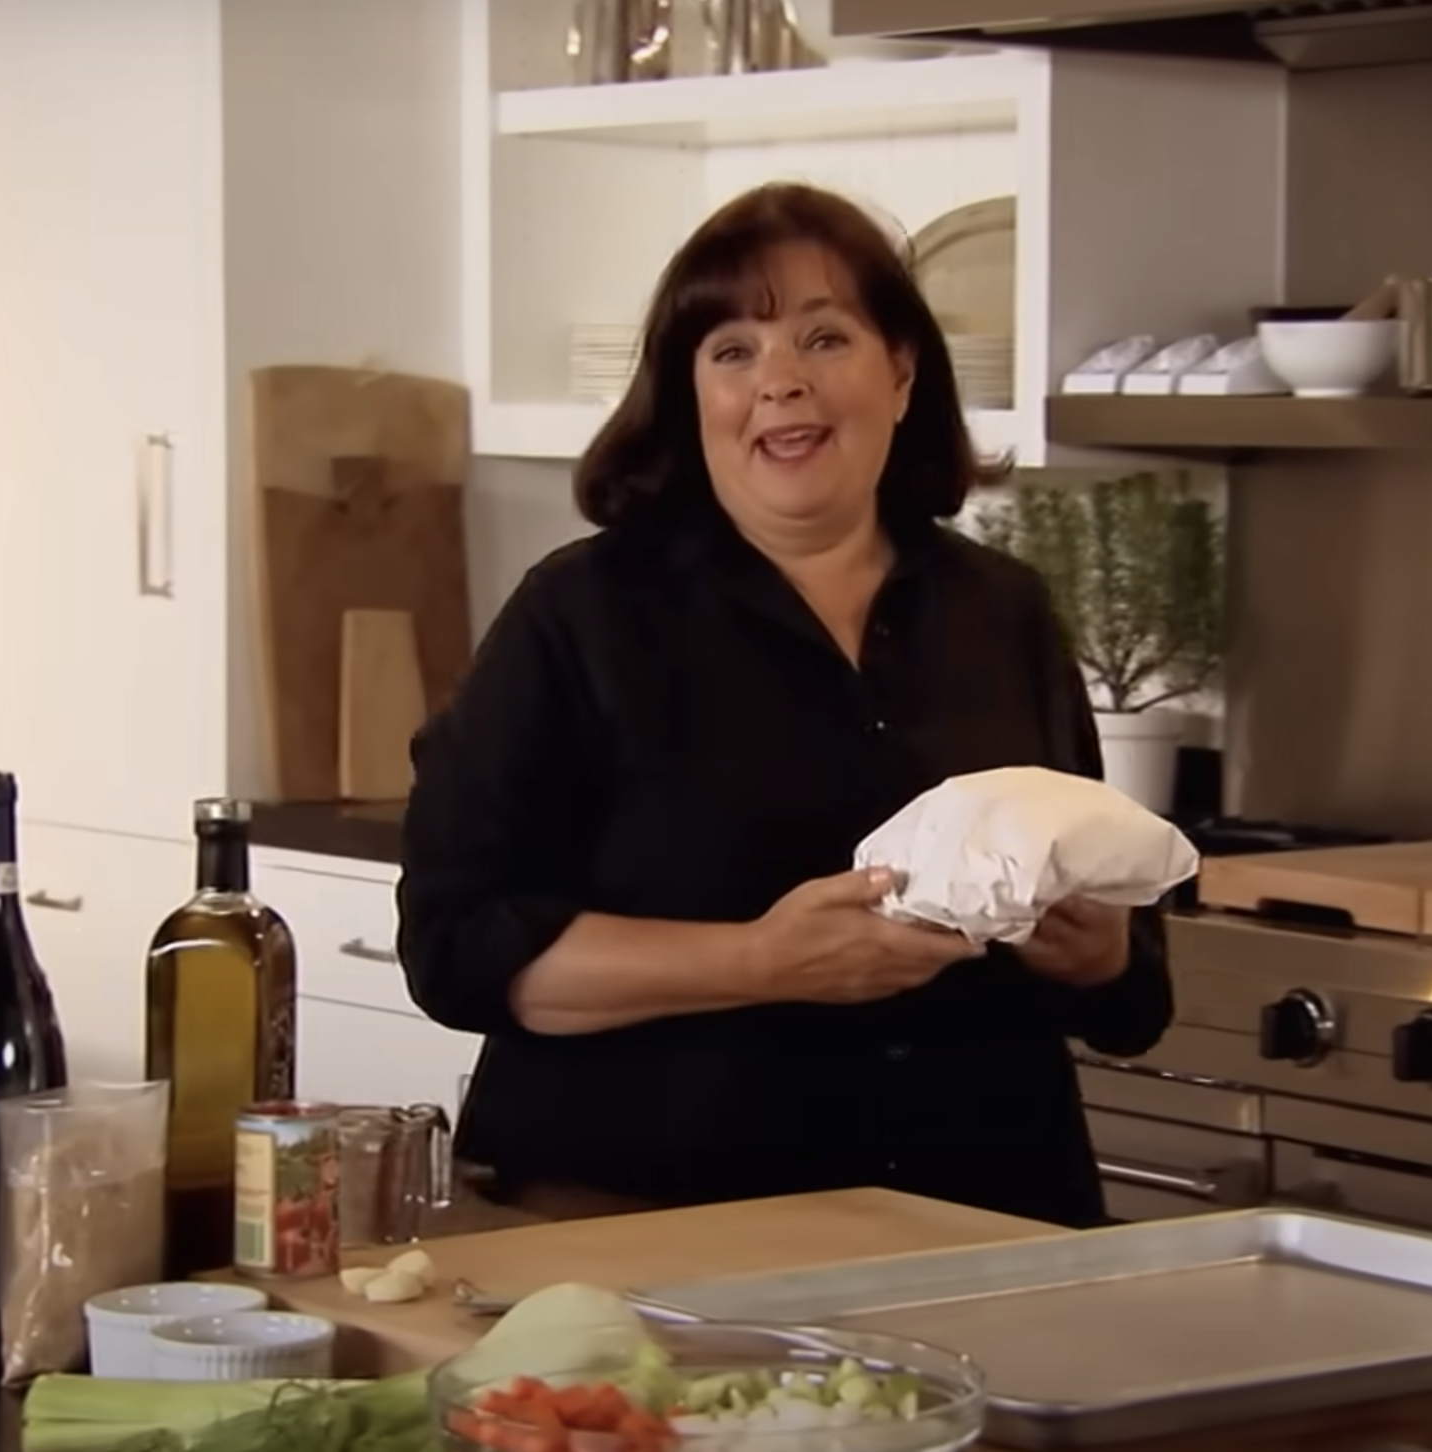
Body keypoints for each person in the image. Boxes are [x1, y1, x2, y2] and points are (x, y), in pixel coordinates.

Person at [395, 183, 1174, 1229]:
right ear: (690, 395)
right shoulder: (578, 613)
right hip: (651, 1228)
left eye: (823, 338)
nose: (782, 384)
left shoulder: (1004, 610)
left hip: (983, 1224)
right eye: (734, 351)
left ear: (900, 374)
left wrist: (1103, 953)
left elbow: (1129, 975)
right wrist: (761, 961)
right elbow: (457, 946)